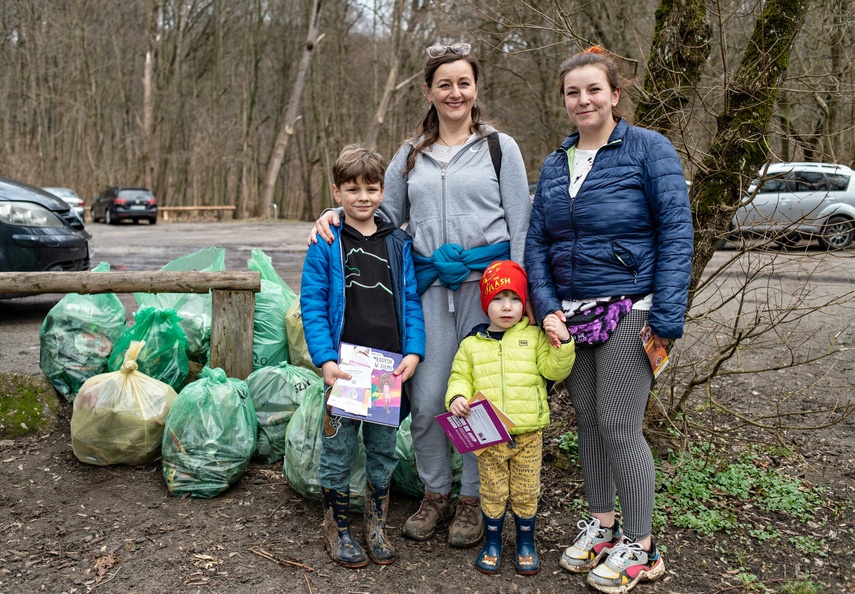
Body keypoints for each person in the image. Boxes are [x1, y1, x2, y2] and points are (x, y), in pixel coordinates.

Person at [309, 42, 532, 548]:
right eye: (444, 84)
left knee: (481, 397)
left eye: (464, 83)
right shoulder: (411, 156)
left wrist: (523, 296)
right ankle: (436, 493)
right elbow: (377, 212)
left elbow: (521, 223)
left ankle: (474, 500)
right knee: (430, 397)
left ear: (476, 88)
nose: (455, 92)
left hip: (488, 290)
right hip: (429, 288)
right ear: (429, 91)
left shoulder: (501, 148)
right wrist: (331, 217)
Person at [525, 47, 694, 593]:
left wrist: (667, 316)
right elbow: (537, 245)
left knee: (621, 425)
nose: (583, 100)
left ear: (615, 95)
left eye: (593, 89)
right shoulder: (555, 163)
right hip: (572, 318)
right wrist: (547, 308)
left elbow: (676, 233)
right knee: (590, 428)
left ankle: (642, 549)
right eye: (573, 92)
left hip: (631, 309)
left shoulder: (649, 149)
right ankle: (603, 527)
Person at [300, 144, 426, 568]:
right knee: (337, 450)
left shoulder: (398, 243)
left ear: (383, 190)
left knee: (382, 450)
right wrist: (325, 359)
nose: (363, 197)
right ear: (337, 192)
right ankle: (336, 528)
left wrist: (414, 350)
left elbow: (410, 300)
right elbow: (313, 303)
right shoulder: (327, 241)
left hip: (386, 370)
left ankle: (375, 526)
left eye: (371, 189)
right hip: (345, 371)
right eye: (352, 189)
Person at [445, 260, 575, 575]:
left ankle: (525, 542)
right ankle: (492, 542)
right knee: (492, 491)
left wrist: (564, 340)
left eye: (515, 298)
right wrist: (457, 398)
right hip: (490, 437)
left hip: (529, 434)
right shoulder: (471, 345)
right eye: (498, 299)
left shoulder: (533, 337)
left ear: (524, 302)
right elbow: (459, 376)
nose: (507, 307)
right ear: (485, 304)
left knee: (526, 490)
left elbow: (555, 370)